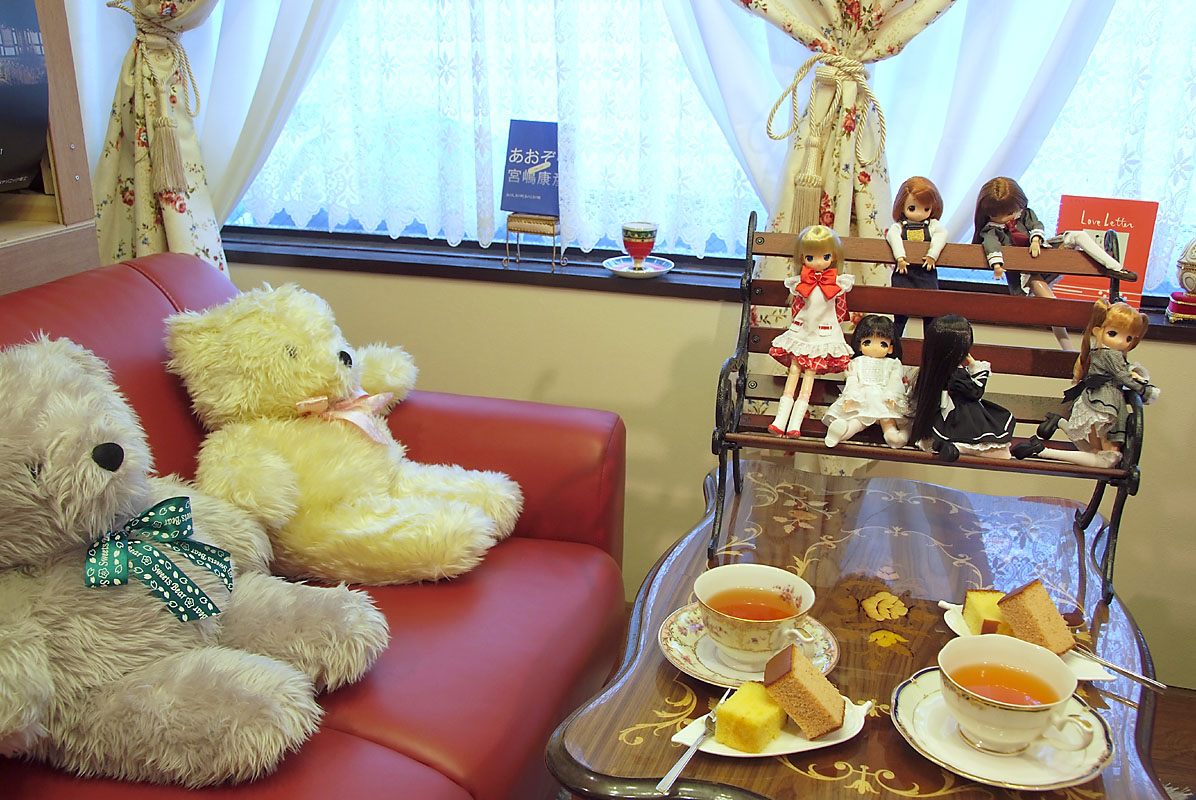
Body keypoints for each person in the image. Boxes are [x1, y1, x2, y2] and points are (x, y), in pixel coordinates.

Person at [973, 177, 1132, 349]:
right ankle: (1069, 350)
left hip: (1043, 255)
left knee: (1077, 235)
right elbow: (991, 245)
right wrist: (997, 265)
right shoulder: (991, 230)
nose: (1004, 219)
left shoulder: (1025, 215)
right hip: (1025, 274)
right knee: (1053, 306)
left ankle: (1115, 267)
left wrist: (1035, 240)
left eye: (1009, 212)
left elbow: (1036, 225)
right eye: (996, 214)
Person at [1013, 300, 1159, 467]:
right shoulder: (1112, 355)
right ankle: (1043, 451)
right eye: (1113, 334)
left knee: (1095, 452)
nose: (1120, 342)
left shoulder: (1097, 351)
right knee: (1110, 459)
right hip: (1105, 406)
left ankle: (1060, 423)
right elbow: (1123, 376)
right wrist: (1145, 391)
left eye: (1128, 338)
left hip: (1092, 402)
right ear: (1097, 331)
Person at [768, 224, 854, 437]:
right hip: (802, 332)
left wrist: (833, 327)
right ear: (802, 258)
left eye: (825, 257)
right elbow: (797, 308)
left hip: (823, 334)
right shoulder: (799, 283)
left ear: (833, 256)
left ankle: (795, 424)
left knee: (809, 376)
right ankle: (780, 420)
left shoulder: (838, 284)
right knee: (794, 371)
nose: (817, 262)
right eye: (810, 257)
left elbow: (841, 310)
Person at [908, 314, 1015, 462]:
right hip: (960, 417)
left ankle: (945, 445)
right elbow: (976, 391)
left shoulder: (930, 373)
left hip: (940, 417)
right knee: (1002, 453)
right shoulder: (957, 374)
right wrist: (975, 366)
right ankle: (956, 447)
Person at [822, 314, 910, 448]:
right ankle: (839, 432)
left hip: (884, 401)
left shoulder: (893, 364)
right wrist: (851, 396)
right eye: (867, 342)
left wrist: (892, 395)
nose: (874, 347)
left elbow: (895, 381)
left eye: (882, 344)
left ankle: (902, 435)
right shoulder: (856, 363)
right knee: (856, 423)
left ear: (891, 348)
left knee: (890, 429)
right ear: (859, 345)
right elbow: (852, 381)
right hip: (863, 400)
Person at [886, 176, 946, 338]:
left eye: (926, 208)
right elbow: (893, 236)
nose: (919, 213)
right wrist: (900, 257)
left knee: (930, 313)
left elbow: (942, 235)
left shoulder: (933, 226)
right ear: (902, 206)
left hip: (926, 273)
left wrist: (932, 255)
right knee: (900, 313)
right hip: (904, 273)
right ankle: (895, 343)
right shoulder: (899, 227)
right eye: (912, 208)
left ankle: (930, 345)